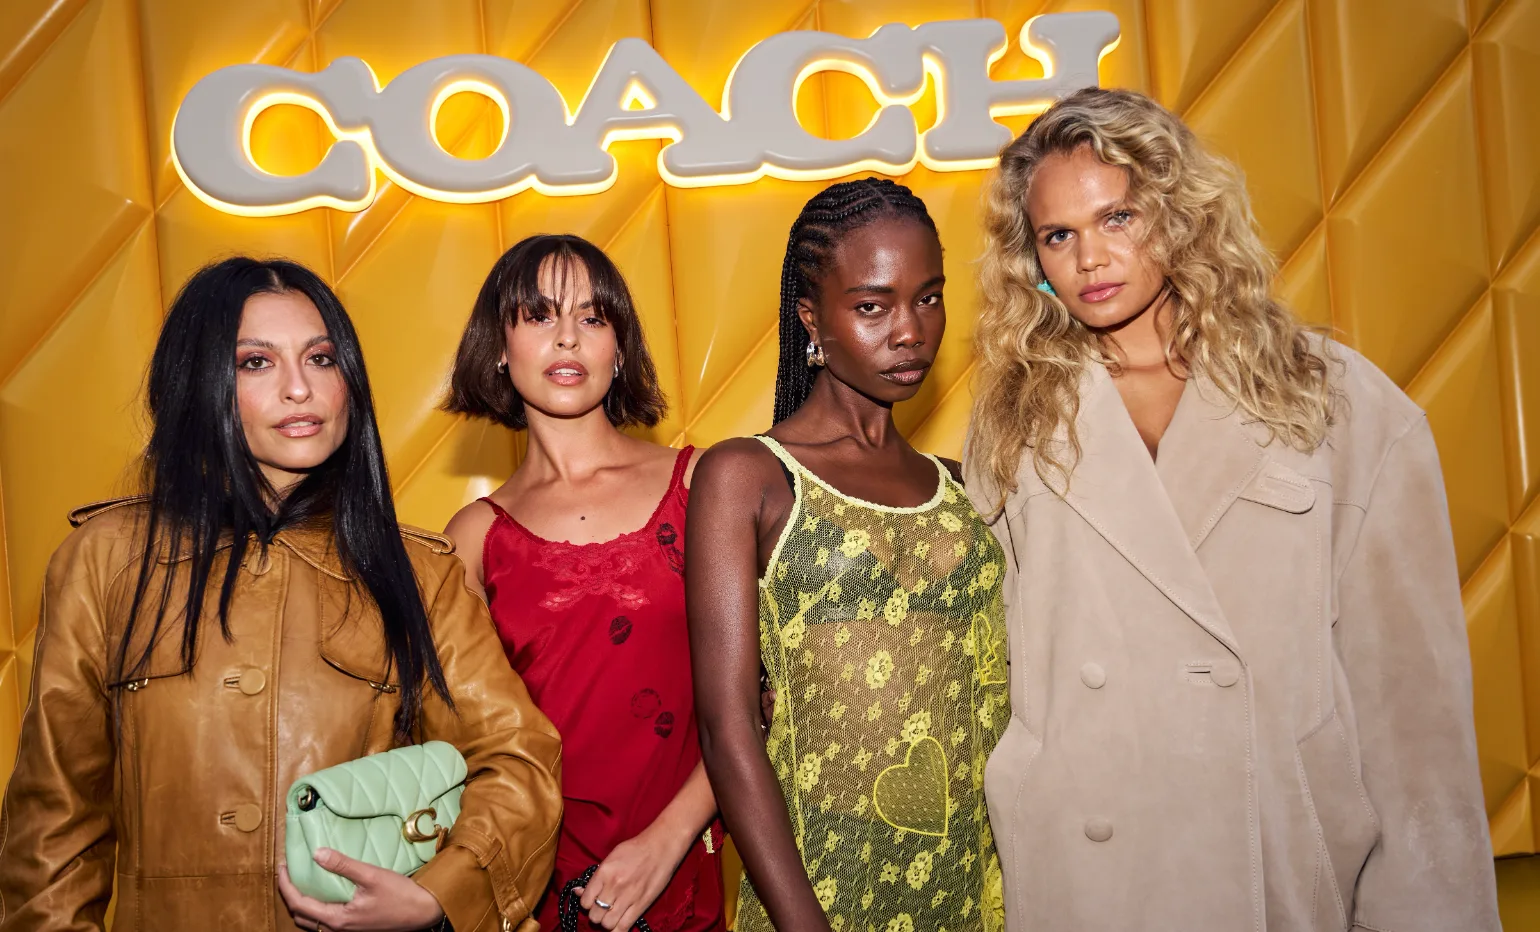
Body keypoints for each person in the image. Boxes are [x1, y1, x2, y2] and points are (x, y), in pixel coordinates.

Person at [967, 86, 1499, 931]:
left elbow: (1411, 713)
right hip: (1086, 868)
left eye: (1119, 218)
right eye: (1057, 236)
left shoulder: (1335, 401)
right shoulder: (1017, 420)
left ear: (1181, 217)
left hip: (1273, 858)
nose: (1090, 258)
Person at [0, 257, 563, 932]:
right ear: (198, 381)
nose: (301, 388)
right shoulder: (107, 561)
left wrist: (440, 895)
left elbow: (518, 761)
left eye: (322, 359)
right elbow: (53, 830)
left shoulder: (418, 573)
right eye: (256, 363)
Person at [688, 178, 1009, 932]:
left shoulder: (964, 488)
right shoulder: (747, 477)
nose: (909, 331)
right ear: (811, 318)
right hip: (824, 885)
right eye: (872, 306)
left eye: (927, 298)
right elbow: (727, 727)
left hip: (978, 887)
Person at [441, 235, 723, 932]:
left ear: (619, 348)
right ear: (499, 347)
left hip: (681, 875)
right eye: (539, 315)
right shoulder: (473, 537)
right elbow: (463, 748)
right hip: (532, 891)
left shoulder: (703, 484)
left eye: (593, 318)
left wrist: (669, 839)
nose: (567, 338)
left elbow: (767, 696)